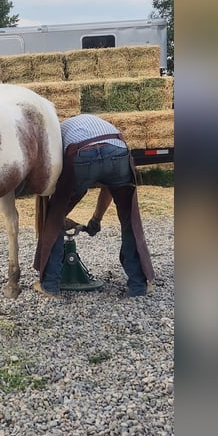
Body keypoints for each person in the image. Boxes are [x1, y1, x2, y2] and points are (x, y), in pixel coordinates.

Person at [33, 114, 155, 299]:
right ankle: (138, 286)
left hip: (81, 153)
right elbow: (109, 184)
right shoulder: (98, 123)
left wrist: (60, 214)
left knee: (53, 220)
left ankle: (50, 286)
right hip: (116, 150)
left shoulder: (57, 132)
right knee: (130, 220)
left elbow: (58, 178)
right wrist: (96, 220)